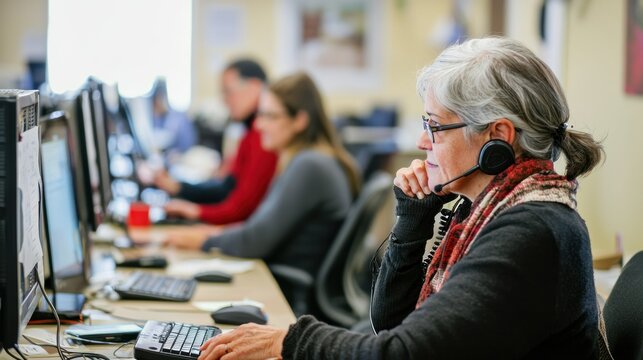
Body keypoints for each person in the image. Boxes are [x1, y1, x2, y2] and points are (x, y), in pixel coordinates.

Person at [196, 37, 604, 359]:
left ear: (496, 138)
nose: (420, 141)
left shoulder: (532, 230)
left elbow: (406, 352)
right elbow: (393, 321)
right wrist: (414, 219)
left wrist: (286, 341)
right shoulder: (485, 209)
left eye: (434, 126)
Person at [166, 72, 361, 313]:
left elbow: (254, 240)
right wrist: (214, 233)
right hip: (278, 286)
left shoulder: (309, 165)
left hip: (288, 299)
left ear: (299, 120)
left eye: (269, 116)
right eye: (260, 114)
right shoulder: (309, 159)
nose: (258, 125)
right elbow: (259, 228)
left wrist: (204, 239)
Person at [155, 59, 279, 224]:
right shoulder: (249, 133)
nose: (225, 100)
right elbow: (227, 189)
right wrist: (180, 188)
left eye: (228, 91)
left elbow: (241, 210)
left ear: (255, 87)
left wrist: (196, 212)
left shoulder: (262, 135)